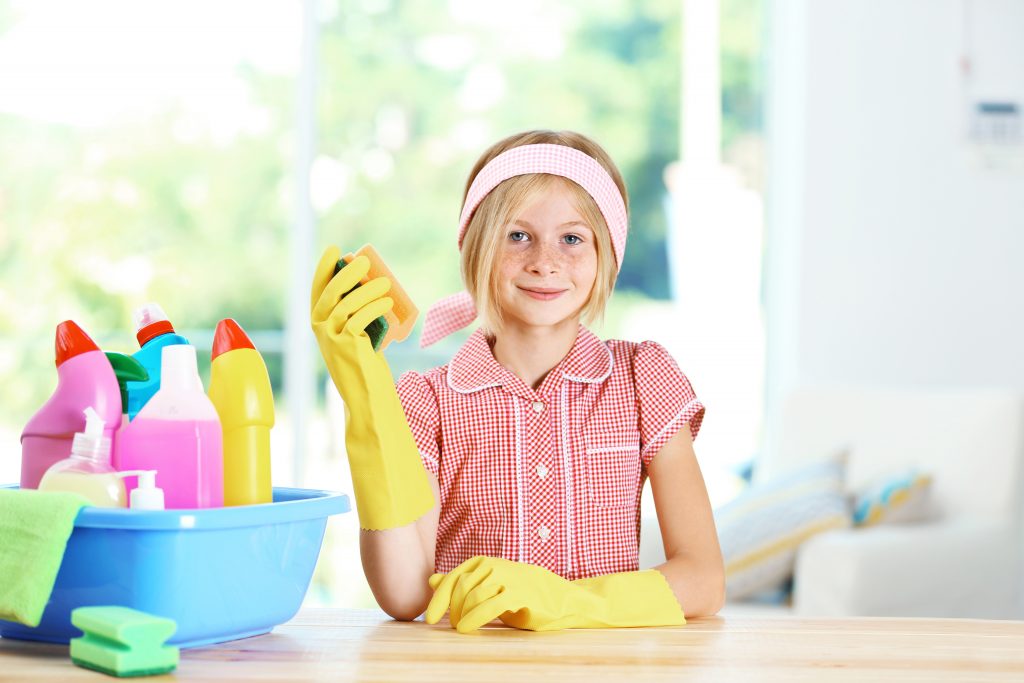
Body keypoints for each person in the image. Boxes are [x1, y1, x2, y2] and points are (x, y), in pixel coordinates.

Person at [310, 130, 724, 634]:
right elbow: (403, 591)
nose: (543, 261)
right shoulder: (426, 401)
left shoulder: (643, 379)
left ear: (605, 256)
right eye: (517, 235)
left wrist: (570, 601)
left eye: (572, 238)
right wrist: (366, 395)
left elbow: (704, 579)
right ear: (477, 247)